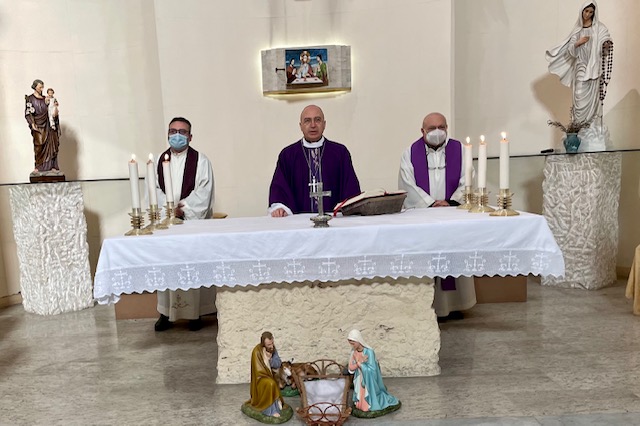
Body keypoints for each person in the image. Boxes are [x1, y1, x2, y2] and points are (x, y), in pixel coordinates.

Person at [398, 112, 476, 320]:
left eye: (441, 127)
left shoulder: (460, 150)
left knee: (454, 255)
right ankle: (429, 306)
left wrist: (450, 201)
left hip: (453, 214)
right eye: (432, 128)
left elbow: (468, 178)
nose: (437, 131)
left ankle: (456, 305)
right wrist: (430, 203)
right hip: (424, 217)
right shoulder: (410, 153)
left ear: (447, 128)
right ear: (422, 131)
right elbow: (407, 183)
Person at [154, 117, 215, 332]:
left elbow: (204, 191)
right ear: (167, 134)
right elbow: (154, 190)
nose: (177, 135)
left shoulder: (201, 161)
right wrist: (168, 209)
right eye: (173, 131)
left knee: (192, 265)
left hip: (190, 224)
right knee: (166, 266)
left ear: (190, 136)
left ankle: (194, 314)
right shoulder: (159, 160)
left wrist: (184, 208)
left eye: (182, 131)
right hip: (167, 225)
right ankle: (165, 313)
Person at [268, 105, 361, 217]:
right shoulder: (288, 155)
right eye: (307, 121)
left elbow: (350, 188)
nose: (313, 125)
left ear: (324, 124)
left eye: (317, 120)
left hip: (334, 221)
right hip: (298, 222)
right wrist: (280, 208)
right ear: (301, 126)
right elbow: (280, 188)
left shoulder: (340, 153)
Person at [546, 1, 613, 124]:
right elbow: (570, 50)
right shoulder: (578, 30)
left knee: (594, 98)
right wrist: (579, 42)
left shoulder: (599, 28)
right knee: (579, 94)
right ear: (582, 11)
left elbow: (605, 40)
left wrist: (606, 45)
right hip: (581, 66)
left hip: (594, 67)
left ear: (594, 13)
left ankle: (591, 127)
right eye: (586, 11)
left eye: (591, 12)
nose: (588, 14)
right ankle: (578, 126)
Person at [347, 329, 399, 413]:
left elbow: (372, 370)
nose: (352, 346)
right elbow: (351, 368)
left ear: (358, 340)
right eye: (350, 343)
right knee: (360, 403)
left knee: (366, 407)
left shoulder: (369, 352)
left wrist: (359, 363)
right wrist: (359, 362)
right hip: (359, 378)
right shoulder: (353, 352)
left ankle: (371, 402)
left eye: (353, 343)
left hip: (368, 380)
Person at [24, 79, 61, 174]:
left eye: (42, 87)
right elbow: (28, 113)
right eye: (40, 87)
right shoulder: (30, 99)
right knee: (39, 145)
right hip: (38, 125)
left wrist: (55, 114)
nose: (42, 89)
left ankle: (52, 166)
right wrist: (32, 124)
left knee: (52, 145)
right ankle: (39, 166)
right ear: (35, 87)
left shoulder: (46, 99)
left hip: (48, 125)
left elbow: (51, 110)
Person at [247, 331, 284, 417]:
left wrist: (270, 360)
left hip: (271, 376)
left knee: (272, 382)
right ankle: (269, 410)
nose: (271, 346)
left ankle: (276, 406)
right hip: (260, 379)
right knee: (270, 383)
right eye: (269, 344)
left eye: (272, 343)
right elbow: (257, 371)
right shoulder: (256, 351)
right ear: (263, 344)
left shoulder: (272, 349)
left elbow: (278, 363)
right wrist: (265, 360)